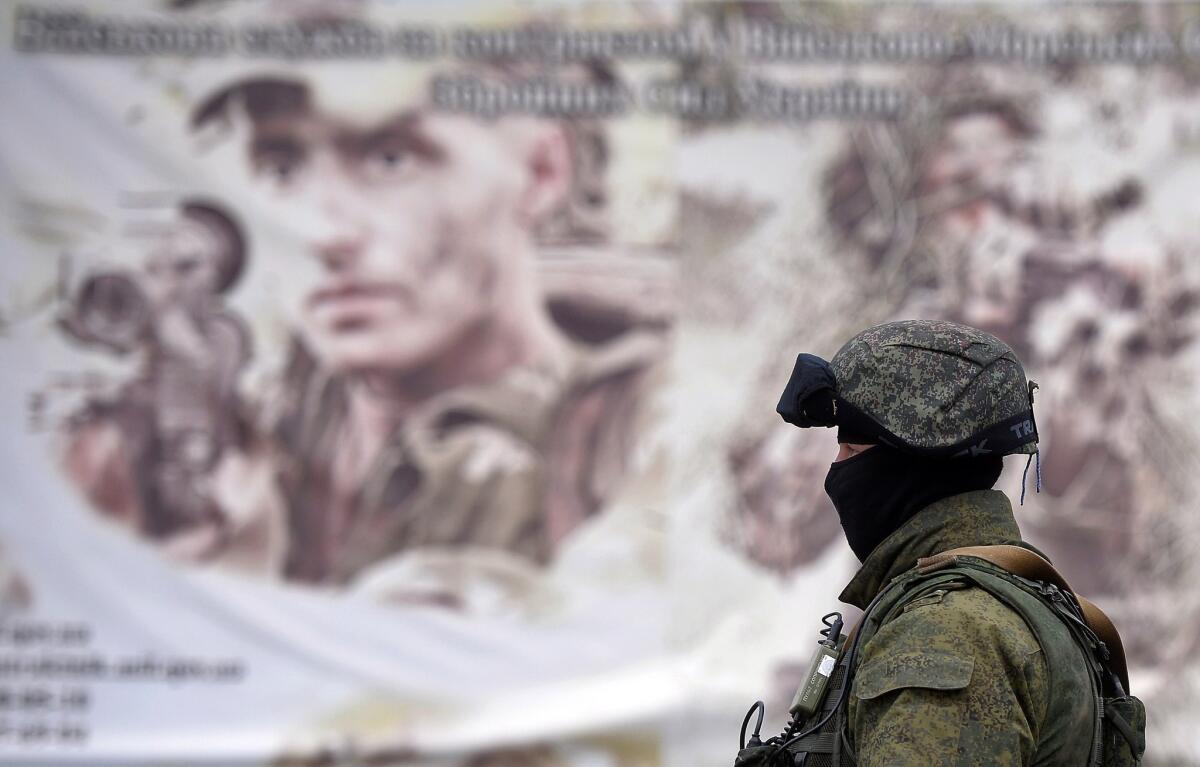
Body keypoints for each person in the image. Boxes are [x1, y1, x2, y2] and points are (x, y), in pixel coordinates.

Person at [176, 66, 666, 584]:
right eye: (280, 169)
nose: (321, 232)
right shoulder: (247, 411)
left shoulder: (630, 435)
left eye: (392, 160)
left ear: (542, 172)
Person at [738, 319, 1141, 766]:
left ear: (910, 464)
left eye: (851, 450)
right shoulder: (1022, 600)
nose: (836, 469)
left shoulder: (944, 633)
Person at [60, 199, 252, 553]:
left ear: (214, 278)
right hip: (127, 461)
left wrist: (168, 322)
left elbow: (207, 368)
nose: (167, 273)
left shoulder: (225, 331)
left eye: (187, 266)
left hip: (186, 474)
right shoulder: (146, 311)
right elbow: (98, 332)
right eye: (162, 259)